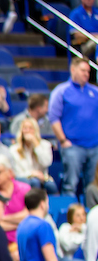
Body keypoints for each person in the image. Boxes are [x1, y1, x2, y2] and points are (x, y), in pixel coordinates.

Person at [49, 56, 98, 199]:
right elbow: (53, 118)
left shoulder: (95, 91)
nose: (86, 74)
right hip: (73, 146)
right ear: (73, 69)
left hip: (94, 146)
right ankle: (69, 210)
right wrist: (63, 140)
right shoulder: (61, 91)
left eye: (88, 71)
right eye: (83, 70)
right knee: (70, 184)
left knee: (93, 185)